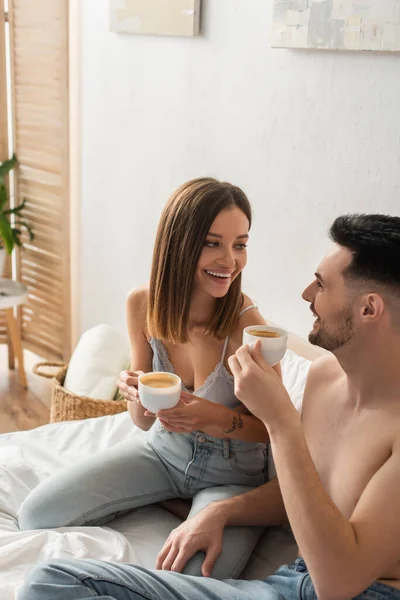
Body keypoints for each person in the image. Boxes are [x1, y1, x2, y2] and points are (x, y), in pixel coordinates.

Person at [18, 213, 400, 600]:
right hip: (288, 579)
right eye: (213, 242)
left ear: (369, 309)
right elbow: (304, 494)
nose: (305, 295)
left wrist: (279, 421)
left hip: (351, 590)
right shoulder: (324, 379)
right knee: (49, 580)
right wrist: (221, 513)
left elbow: (338, 585)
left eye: (320, 284)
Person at [17, 177, 281, 579]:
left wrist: (210, 417)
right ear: (179, 243)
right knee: (36, 513)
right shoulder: (142, 305)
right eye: (212, 243)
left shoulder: (249, 326)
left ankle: (185, 504)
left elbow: (277, 429)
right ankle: (172, 499)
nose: (230, 260)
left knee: (193, 577)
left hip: (233, 475)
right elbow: (141, 421)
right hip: (163, 452)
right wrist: (135, 394)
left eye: (240, 244)